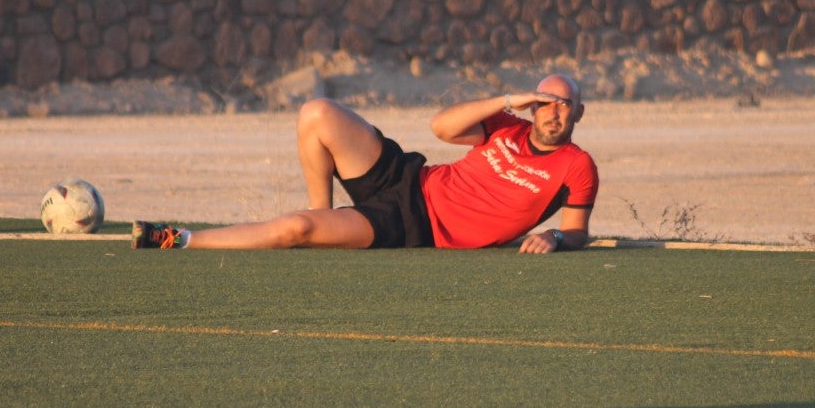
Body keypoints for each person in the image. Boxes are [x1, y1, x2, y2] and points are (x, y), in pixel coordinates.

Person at [131, 73, 598, 253]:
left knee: (296, 230)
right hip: (411, 176)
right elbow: (441, 127)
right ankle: (325, 210)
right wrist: (509, 98)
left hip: (413, 223)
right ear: (531, 106)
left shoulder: (576, 165)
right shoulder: (505, 124)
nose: (553, 112)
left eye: (563, 105)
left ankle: (177, 238)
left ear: (578, 112)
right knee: (316, 112)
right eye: (545, 102)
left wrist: (554, 235)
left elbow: (578, 231)